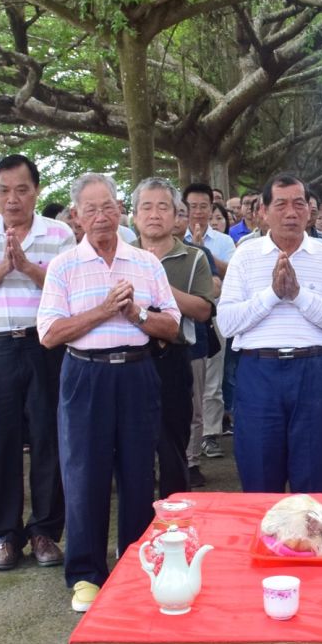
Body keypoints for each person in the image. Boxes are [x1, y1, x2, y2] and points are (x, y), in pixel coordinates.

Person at [38, 173, 180, 612]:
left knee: (139, 472)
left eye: (108, 207)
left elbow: (172, 326)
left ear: (120, 210)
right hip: (85, 375)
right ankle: (86, 574)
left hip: (137, 373)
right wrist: (103, 310)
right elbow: (49, 333)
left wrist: (134, 313)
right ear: (77, 217)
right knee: (84, 474)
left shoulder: (145, 263)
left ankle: (135, 565)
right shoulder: (64, 266)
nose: (101, 217)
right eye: (91, 210)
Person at [0, 154, 73, 572]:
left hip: (46, 347)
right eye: (4, 190)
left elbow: (69, 286)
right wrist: (6, 267)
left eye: (22, 189)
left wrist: (28, 267)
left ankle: (44, 532)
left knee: (48, 439)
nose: (13, 198)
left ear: (36, 191)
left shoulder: (58, 234)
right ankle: (5, 536)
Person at [218, 173, 322, 492]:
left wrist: (298, 295)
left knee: (312, 479)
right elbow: (227, 322)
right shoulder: (245, 256)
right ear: (263, 212)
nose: (290, 213)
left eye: (298, 204)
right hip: (258, 374)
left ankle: (309, 541)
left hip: (313, 373)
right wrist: (272, 295)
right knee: (259, 479)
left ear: (310, 211)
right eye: (280, 204)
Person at [132, 178, 215, 499]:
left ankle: (175, 525)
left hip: (175, 360)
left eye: (163, 207)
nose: (155, 214)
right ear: (135, 215)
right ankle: (136, 530)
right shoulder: (119, 255)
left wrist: (158, 286)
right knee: (133, 450)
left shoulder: (194, 258)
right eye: (147, 207)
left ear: (176, 214)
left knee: (173, 448)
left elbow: (203, 310)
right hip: (130, 360)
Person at [183, 183, 234, 461]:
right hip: (182, 317)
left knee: (213, 379)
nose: (199, 212)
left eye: (205, 206)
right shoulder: (175, 236)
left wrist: (202, 252)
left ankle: (210, 435)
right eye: (193, 206)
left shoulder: (224, 241)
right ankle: (188, 444)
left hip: (215, 315)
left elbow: (232, 275)